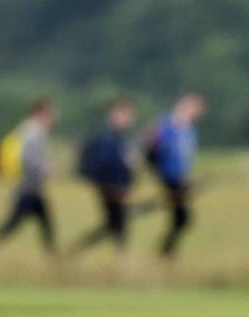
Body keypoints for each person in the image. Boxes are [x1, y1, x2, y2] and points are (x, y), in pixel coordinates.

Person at [70, 98, 137, 254]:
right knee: (117, 224)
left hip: (114, 188)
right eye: (126, 115)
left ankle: (77, 250)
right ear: (115, 115)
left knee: (114, 224)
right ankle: (78, 250)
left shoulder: (118, 137)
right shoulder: (107, 138)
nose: (129, 119)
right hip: (110, 189)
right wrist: (121, 186)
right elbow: (107, 165)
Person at [0, 98, 57, 254]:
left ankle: (52, 254)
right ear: (39, 113)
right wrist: (44, 169)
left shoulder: (26, 130)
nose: (53, 118)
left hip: (31, 187)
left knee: (44, 221)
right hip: (28, 187)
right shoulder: (33, 132)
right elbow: (28, 158)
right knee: (14, 223)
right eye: (49, 114)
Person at [149, 93, 206, 258]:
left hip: (181, 177)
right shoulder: (164, 125)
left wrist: (188, 175)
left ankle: (166, 252)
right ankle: (164, 253)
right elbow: (154, 151)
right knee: (183, 218)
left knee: (181, 219)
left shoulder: (190, 130)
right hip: (168, 176)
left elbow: (186, 156)